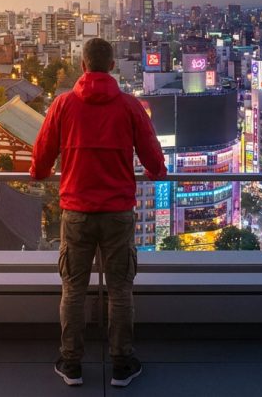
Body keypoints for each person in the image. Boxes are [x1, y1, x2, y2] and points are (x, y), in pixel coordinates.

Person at [30, 37, 167, 388]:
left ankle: (71, 363)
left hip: (76, 210)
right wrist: (155, 173)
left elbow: (43, 154)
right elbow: (153, 156)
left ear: (83, 66)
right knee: (120, 289)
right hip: (118, 210)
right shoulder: (130, 106)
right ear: (110, 67)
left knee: (73, 288)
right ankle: (122, 363)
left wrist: (39, 174)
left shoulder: (63, 105)